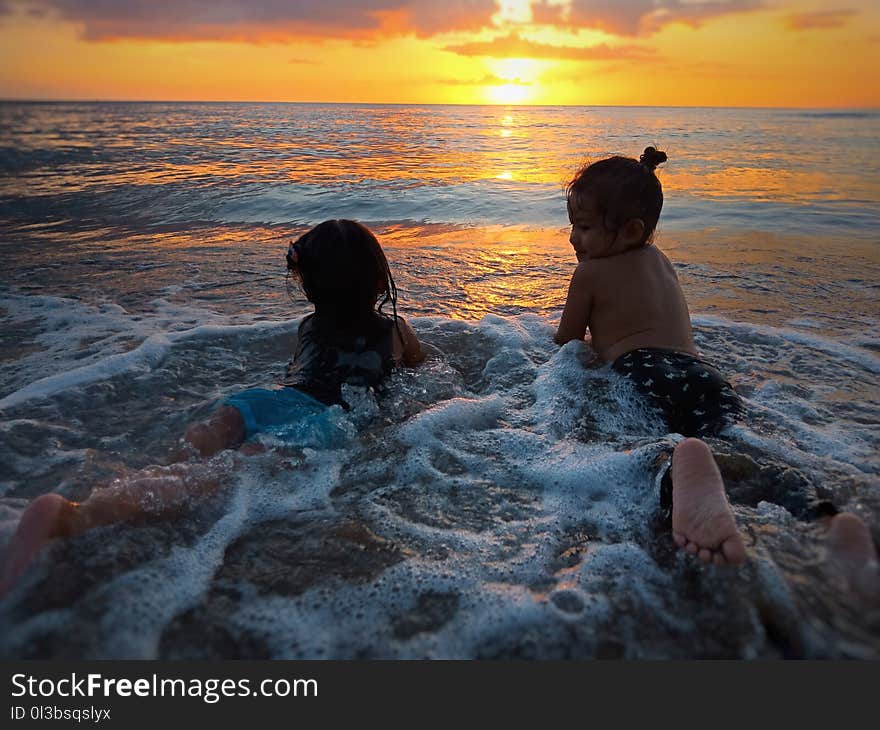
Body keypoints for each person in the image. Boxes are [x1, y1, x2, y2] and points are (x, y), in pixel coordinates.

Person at [0, 219, 424, 596]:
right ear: (376, 281)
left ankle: (132, 488)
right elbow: (421, 368)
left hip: (265, 400)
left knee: (204, 441)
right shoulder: (397, 331)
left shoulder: (308, 326)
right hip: (321, 419)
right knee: (230, 470)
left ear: (309, 285)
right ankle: (76, 517)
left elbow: (300, 372)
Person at [555, 147, 742, 437]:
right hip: (703, 375)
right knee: (723, 442)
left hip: (642, 373)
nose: (572, 237)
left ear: (630, 231)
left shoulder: (589, 273)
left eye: (584, 226)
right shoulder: (661, 261)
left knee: (657, 450)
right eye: (573, 226)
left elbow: (567, 343)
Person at [667, 438, 879, 603]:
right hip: (715, 401)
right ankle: (824, 523)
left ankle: (669, 469)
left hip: (655, 404)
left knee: (656, 444)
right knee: (775, 475)